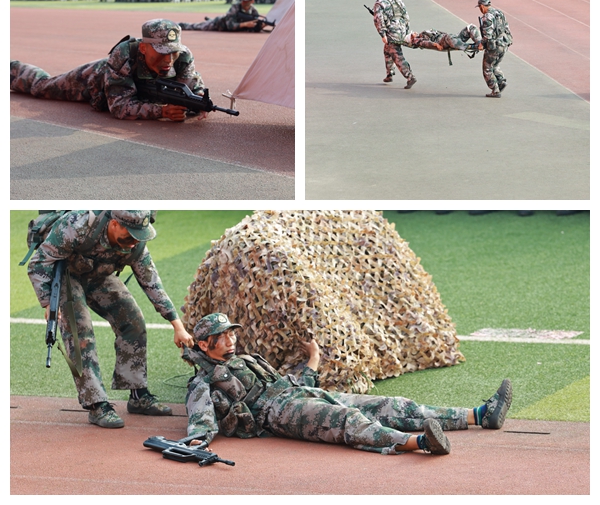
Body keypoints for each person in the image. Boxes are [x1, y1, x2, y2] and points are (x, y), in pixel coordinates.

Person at [184, 313, 513, 456]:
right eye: (221, 337)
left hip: (297, 394)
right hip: (277, 415)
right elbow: (201, 417)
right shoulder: (203, 381)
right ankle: (421, 443)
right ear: (203, 344)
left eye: (231, 333)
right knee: (347, 421)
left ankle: (479, 414)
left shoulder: (246, 359)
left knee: (390, 405)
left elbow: (289, 383)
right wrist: (197, 441)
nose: (230, 340)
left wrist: (313, 358)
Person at [27, 210, 195, 429]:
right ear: (114, 224)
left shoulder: (136, 243)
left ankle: (138, 395)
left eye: (140, 235)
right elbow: (38, 263)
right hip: (67, 275)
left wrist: (177, 325)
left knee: (133, 322)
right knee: (80, 333)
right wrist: (47, 302)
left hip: (98, 275)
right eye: (131, 234)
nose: (135, 241)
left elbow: (152, 283)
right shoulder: (77, 225)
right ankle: (96, 404)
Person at [10, 19, 206, 121]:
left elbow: (191, 86)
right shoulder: (124, 55)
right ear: (143, 48)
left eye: (173, 52)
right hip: (95, 79)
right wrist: (162, 111)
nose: (169, 59)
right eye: (162, 52)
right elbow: (119, 107)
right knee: (43, 87)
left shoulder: (183, 57)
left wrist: (197, 101)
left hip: (135, 89)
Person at [372, 0, 417, 88]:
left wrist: (382, 34)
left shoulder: (379, 3)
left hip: (391, 33)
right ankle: (389, 74)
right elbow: (406, 16)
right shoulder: (398, 0)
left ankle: (410, 76)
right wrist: (406, 31)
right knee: (387, 50)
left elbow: (378, 20)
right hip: (402, 30)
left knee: (396, 54)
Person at [178, 0, 271, 32]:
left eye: (246, 0)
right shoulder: (235, 7)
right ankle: (180, 25)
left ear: (252, 1)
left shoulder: (254, 12)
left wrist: (260, 26)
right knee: (195, 26)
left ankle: (209, 19)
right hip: (218, 24)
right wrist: (245, 24)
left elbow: (253, 29)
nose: (243, 1)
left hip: (227, 25)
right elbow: (230, 26)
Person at [476, 0, 513, 98]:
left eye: (479, 7)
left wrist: (481, 44)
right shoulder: (500, 13)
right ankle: (501, 81)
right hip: (504, 43)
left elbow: (487, 35)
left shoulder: (487, 17)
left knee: (487, 67)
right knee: (495, 65)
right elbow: (506, 27)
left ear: (482, 6)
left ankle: (495, 90)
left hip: (494, 46)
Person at [405, 24, 481, 53]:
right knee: (451, 39)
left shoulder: (423, 34)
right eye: (412, 34)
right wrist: (436, 45)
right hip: (445, 41)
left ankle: (480, 43)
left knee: (470, 27)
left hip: (450, 37)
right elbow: (426, 43)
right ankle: (475, 46)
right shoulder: (417, 40)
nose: (414, 32)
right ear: (411, 38)